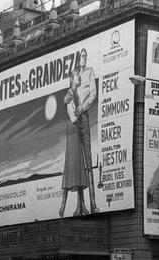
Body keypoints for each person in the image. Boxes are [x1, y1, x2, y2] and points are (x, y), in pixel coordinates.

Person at [64, 47, 99, 214]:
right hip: (74, 120)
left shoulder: (90, 72)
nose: (84, 58)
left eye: (86, 56)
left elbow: (93, 93)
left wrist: (83, 107)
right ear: (78, 58)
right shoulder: (74, 74)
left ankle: (93, 203)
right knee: (78, 161)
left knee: (88, 160)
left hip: (83, 116)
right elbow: (69, 94)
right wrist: (65, 100)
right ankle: (80, 204)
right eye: (82, 56)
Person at [59, 68, 90, 217]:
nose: (79, 80)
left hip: (75, 131)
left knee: (78, 165)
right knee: (73, 165)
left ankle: (80, 205)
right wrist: (80, 111)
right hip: (73, 131)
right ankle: (66, 205)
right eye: (77, 78)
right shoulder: (70, 94)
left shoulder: (75, 94)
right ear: (73, 80)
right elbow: (72, 117)